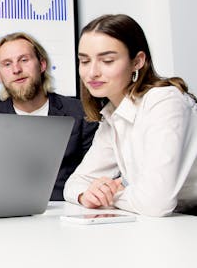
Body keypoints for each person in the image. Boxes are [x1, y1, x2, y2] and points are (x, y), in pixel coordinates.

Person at [64, 14, 197, 216]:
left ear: (137, 61)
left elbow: (156, 203)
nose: (92, 73)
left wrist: (113, 193)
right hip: (175, 222)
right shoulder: (113, 114)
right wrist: (87, 194)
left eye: (107, 60)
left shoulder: (165, 102)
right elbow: (75, 183)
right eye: (84, 61)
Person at [0, 32, 98, 200]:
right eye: (7, 64)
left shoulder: (81, 113)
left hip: (67, 210)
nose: (16, 70)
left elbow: (95, 176)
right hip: (8, 216)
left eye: (24, 60)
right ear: (0, 75)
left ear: (42, 64)